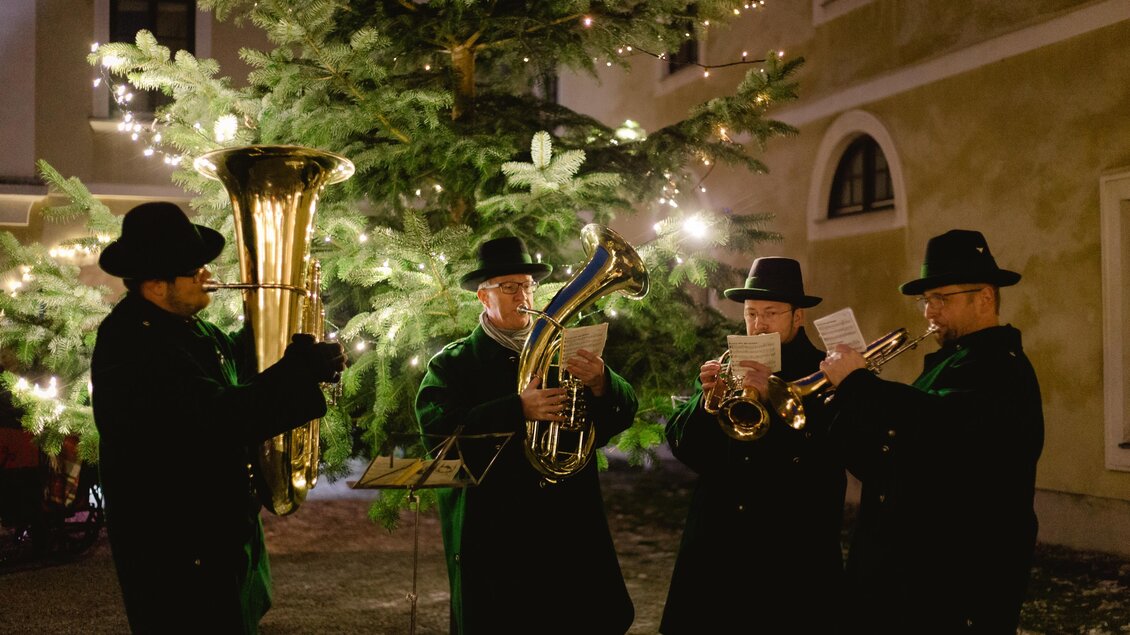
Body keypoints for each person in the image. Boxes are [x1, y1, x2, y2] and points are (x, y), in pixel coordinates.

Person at [90, 202, 346, 634]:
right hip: (176, 548)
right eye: (194, 271)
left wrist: (287, 339)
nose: (208, 275)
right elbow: (216, 416)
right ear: (155, 286)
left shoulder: (191, 329)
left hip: (218, 537)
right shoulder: (132, 343)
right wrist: (298, 372)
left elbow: (238, 372)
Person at [821, 229, 1044, 634]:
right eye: (926, 300)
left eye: (942, 298)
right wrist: (844, 405)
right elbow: (889, 459)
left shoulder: (1000, 366)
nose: (928, 312)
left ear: (986, 298)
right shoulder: (952, 362)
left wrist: (859, 385)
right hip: (911, 576)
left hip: (960, 580)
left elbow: (945, 429)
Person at [414, 236, 637, 635]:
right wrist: (518, 409)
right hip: (498, 534)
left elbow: (617, 418)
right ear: (484, 297)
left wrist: (603, 382)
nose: (524, 294)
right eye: (509, 287)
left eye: (528, 285)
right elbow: (439, 436)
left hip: (567, 527)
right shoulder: (454, 363)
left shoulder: (563, 349)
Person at [661, 257, 846, 634]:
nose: (758, 325)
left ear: (798, 317)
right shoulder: (730, 364)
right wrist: (705, 400)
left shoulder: (826, 371)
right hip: (719, 545)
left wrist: (774, 402)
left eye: (771, 313)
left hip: (788, 550)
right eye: (751, 313)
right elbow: (686, 449)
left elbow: (827, 457)